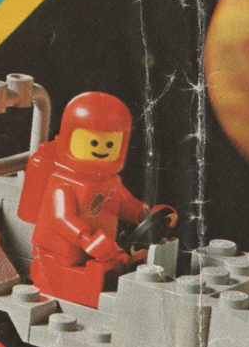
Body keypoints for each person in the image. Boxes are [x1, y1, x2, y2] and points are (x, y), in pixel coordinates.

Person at [18, 92, 173, 307]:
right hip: (59, 256)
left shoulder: (108, 182)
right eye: (93, 142)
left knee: (122, 261)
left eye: (110, 144)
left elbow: (122, 203)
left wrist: (142, 214)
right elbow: (62, 219)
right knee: (99, 271)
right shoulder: (62, 183)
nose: (101, 150)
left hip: (96, 250)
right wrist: (86, 239)